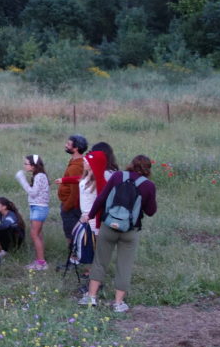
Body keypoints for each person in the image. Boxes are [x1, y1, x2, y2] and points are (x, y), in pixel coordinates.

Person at [78, 155, 157, 313]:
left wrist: (90, 215)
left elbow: (101, 198)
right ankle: (118, 303)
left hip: (108, 226)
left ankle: (91, 297)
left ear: (131, 164)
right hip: (130, 230)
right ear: (148, 169)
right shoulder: (148, 185)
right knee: (124, 266)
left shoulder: (118, 176)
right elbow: (150, 211)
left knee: (100, 260)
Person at [16, 153, 50, 269]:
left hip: (39, 208)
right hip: (37, 207)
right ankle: (39, 260)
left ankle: (41, 263)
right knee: (38, 234)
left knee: (34, 234)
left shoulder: (40, 176)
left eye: (26, 164)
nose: (24, 166)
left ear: (33, 165)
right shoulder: (38, 175)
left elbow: (33, 193)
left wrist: (22, 180)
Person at [57, 134, 88, 242]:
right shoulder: (78, 162)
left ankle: (73, 257)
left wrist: (66, 207)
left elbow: (75, 192)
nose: (66, 145)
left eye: (69, 144)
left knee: (71, 237)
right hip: (74, 206)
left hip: (71, 208)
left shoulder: (75, 167)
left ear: (76, 148)